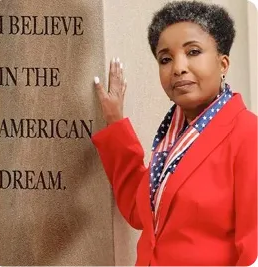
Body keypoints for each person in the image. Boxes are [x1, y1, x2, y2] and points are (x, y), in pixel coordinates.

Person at [92, 1, 257, 266]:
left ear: (223, 63)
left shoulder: (249, 135)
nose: (178, 67)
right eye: (165, 59)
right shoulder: (173, 137)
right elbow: (140, 211)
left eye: (193, 52)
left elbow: (253, 251)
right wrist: (114, 121)